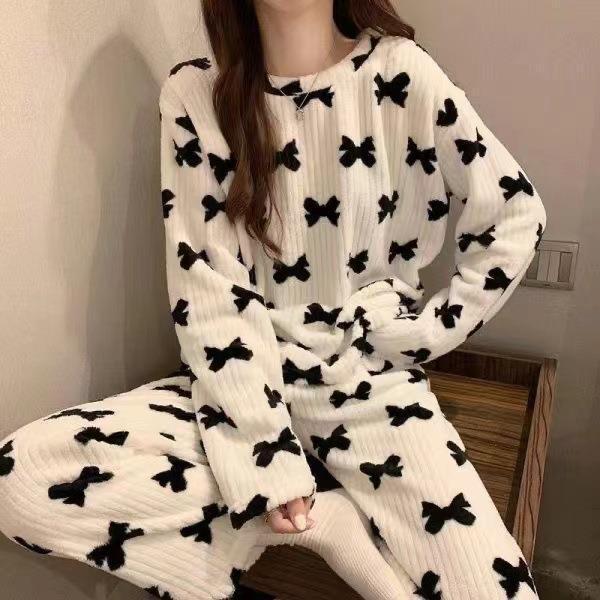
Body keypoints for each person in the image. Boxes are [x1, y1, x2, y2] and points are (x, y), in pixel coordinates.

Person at [0, 1, 546, 599]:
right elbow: (208, 290)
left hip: (372, 387)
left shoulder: (401, 72)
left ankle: (309, 524)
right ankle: (323, 526)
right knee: (23, 478)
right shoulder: (197, 97)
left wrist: (424, 333)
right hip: (239, 391)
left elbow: (514, 214)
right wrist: (264, 460)